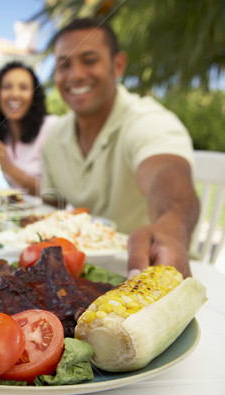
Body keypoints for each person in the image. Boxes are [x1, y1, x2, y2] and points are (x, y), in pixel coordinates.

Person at [41, 18, 199, 278]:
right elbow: (50, 206)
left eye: (89, 60)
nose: (76, 74)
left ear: (118, 65)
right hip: (87, 276)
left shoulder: (147, 120)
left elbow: (167, 174)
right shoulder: (55, 135)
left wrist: (171, 227)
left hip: (154, 268)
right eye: (63, 64)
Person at [0, 61, 57, 194]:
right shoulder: (3, 135)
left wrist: (8, 167)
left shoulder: (52, 128)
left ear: (34, 95)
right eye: (7, 87)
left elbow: (57, 195)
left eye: (23, 87)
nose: (15, 94)